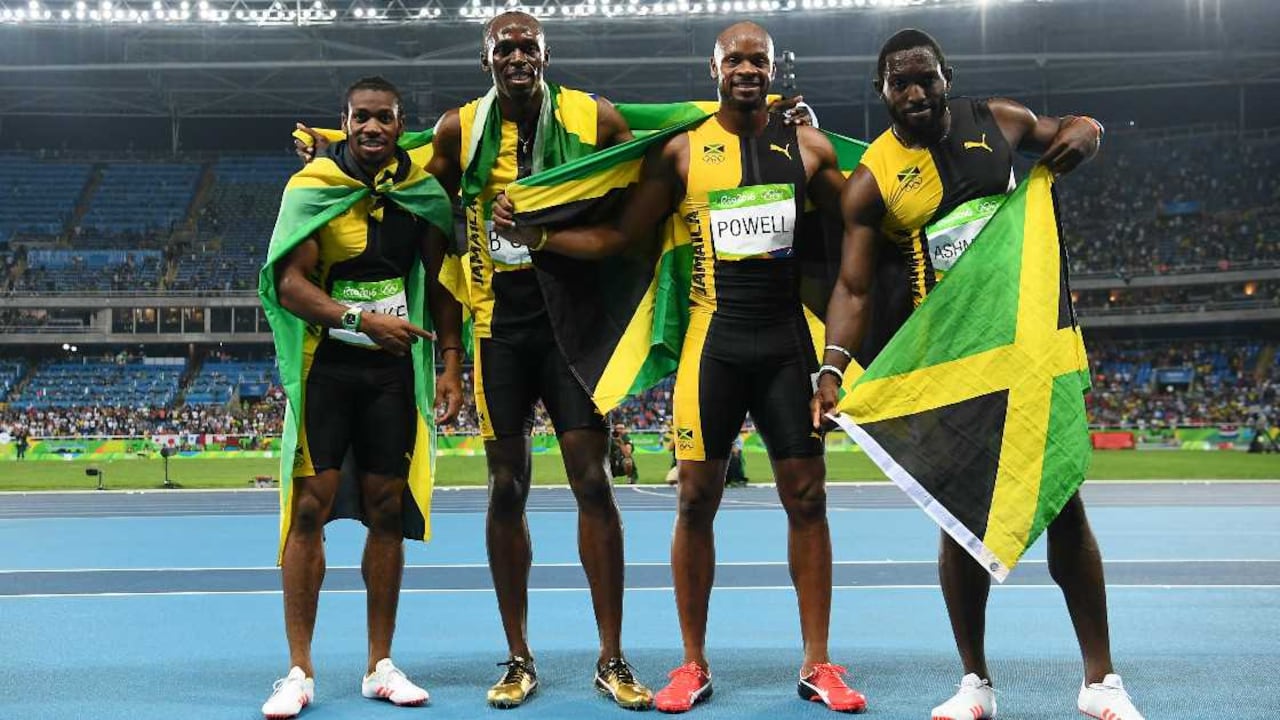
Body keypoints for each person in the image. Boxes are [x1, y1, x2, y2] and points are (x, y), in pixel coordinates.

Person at [495, 21, 867, 715]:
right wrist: (540, 233)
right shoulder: (683, 152)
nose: (747, 70)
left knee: (808, 498)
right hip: (713, 346)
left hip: (788, 344)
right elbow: (617, 235)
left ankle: (818, 662)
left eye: (759, 60)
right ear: (715, 69)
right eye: (736, 60)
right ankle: (692, 663)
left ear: (774, 67)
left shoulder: (808, 147)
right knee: (695, 500)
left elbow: (864, 220)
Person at [810, 29, 1145, 720]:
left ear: (946, 76)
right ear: (881, 92)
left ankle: (1100, 681)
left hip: (1027, 346)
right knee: (957, 512)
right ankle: (975, 684)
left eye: (925, 77)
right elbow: (853, 286)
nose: (914, 91)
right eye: (899, 82)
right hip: (950, 364)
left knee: (1061, 500)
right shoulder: (873, 179)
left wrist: (1090, 130)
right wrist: (831, 367)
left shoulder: (999, 121)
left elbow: (1073, 128)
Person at [260, 76, 464, 719]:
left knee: (386, 509)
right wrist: (357, 320)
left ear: (401, 124)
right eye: (361, 118)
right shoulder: (313, 187)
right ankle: (298, 670)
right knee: (309, 509)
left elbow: (441, 282)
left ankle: (380, 664)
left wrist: (452, 364)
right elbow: (290, 285)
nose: (372, 128)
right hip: (328, 367)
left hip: (391, 374)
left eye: (384, 118)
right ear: (343, 123)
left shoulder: (420, 193)